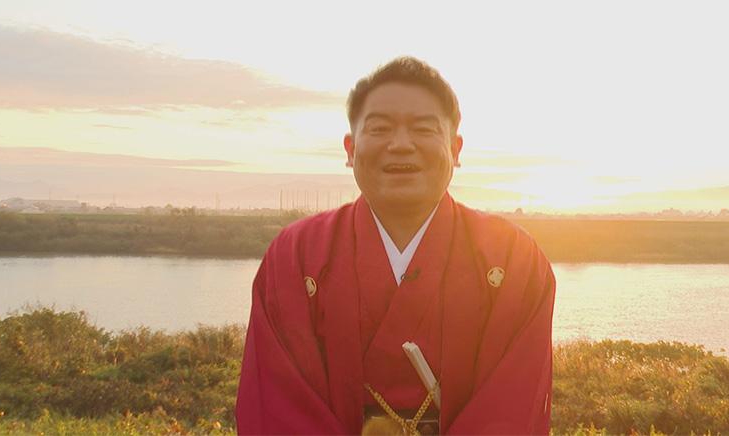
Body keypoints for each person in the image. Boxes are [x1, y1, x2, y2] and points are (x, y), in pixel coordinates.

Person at [236, 57, 556, 435]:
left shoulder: (513, 258)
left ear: (455, 149)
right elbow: (279, 405)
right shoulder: (296, 256)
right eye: (380, 128)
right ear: (350, 149)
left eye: (423, 129)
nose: (401, 145)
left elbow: (514, 403)